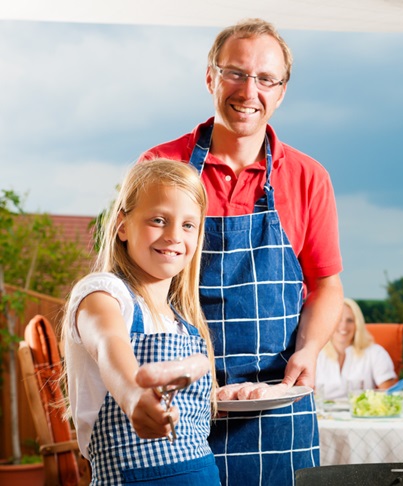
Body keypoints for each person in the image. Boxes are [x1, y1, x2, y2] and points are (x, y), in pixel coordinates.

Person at [138, 18, 344, 485]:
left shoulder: (309, 177)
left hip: (277, 405)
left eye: (266, 78)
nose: (249, 91)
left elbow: (327, 285)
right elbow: (133, 285)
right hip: (181, 400)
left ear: (282, 90)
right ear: (210, 77)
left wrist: (310, 350)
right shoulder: (160, 167)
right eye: (235, 72)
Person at [62, 159, 220, 484]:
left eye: (188, 225)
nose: (174, 236)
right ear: (122, 225)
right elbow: (109, 344)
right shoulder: (103, 294)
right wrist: (134, 395)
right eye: (159, 220)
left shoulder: (182, 322)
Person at [316, 298, 398, 399]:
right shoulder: (315, 354)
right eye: (338, 319)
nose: (343, 326)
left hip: (361, 413)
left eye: (350, 320)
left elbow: (390, 395)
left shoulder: (376, 353)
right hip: (322, 414)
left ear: (357, 324)